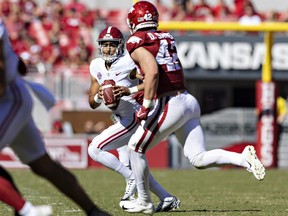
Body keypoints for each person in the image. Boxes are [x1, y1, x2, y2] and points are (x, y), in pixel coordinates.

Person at [122, 1, 266, 214]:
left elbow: (152, 73)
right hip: (188, 99)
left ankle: (144, 201)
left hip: (171, 103)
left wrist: (146, 104)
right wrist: (138, 88)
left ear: (134, 21)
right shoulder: (166, 36)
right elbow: (164, 74)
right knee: (198, 158)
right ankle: (241, 158)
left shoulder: (137, 40)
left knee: (135, 148)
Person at [0, 19, 109, 216]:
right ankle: (94, 211)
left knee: (43, 164)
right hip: (11, 98)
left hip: (7, 99)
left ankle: (27, 212)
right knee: (42, 164)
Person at [87, 26, 180, 212]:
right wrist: (100, 95)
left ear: (119, 46)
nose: (107, 49)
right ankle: (167, 198)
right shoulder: (96, 65)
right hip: (118, 118)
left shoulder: (128, 62)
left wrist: (129, 90)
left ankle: (130, 179)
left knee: (94, 149)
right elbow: (92, 102)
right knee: (134, 164)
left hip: (132, 117)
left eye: (111, 45)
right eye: (104, 45)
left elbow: (151, 81)